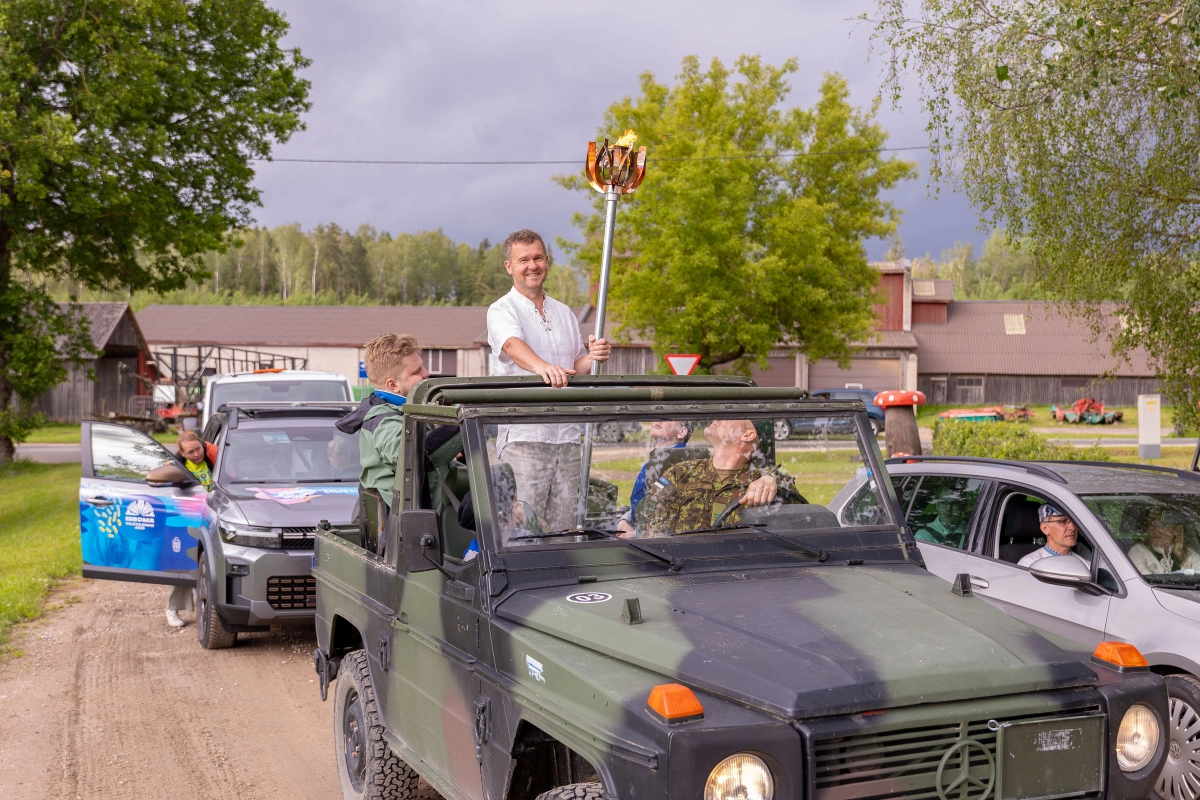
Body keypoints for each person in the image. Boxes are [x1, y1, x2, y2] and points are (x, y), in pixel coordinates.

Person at [486, 229, 611, 532]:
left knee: (565, 530)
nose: (532, 265)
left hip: (567, 439)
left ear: (547, 261)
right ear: (509, 267)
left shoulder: (564, 312)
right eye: (524, 260)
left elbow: (575, 366)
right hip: (525, 439)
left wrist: (594, 356)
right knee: (524, 531)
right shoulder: (502, 310)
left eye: (538, 258)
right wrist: (542, 366)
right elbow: (511, 345)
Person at [640, 419, 806, 537]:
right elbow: (655, 537)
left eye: (730, 414)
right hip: (683, 569)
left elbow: (804, 521)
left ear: (748, 435)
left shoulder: (763, 480)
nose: (719, 416)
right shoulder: (680, 474)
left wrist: (772, 479)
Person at [335, 333, 430, 513]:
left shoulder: (404, 411)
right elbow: (411, 452)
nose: (426, 373)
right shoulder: (383, 422)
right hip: (417, 525)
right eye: (417, 371)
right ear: (393, 385)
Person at [167, 430, 218, 628]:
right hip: (187, 521)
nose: (196, 454)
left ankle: (206, 608)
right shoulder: (177, 469)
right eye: (190, 452)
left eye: (198, 449)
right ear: (183, 453)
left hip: (210, 520)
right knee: (183, 566)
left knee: (207, 566)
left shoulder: (214, 460)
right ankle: (172, 609)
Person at [615, 421, 692, 536]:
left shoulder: (680, 465)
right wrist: (625, 520)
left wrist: (634, 535)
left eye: (667, 418)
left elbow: (671, 515)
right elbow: (647, 500)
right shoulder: (658, 459)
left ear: (682, 432)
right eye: (657, 416)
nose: (657, 420)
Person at [1128, 508, 1200, 575]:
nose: (1155, 530)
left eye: (1162, 526)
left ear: (1176, 531)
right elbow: (1142, 581)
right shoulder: (1138, 551)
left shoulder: (1189, 554)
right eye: (1152, 525)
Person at [1018, 504, 1090, 568]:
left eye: (1075, 521)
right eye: (1062, 521)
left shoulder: (1086, 565)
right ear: (1045, 528)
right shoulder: (1030, 564)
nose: (1073, 527)